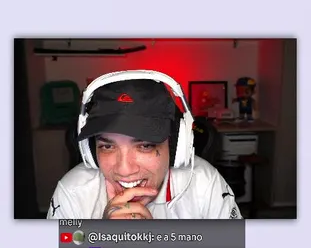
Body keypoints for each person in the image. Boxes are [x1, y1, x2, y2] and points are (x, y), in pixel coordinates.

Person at [46, 70, 241, 220]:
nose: (124, 170)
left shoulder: (203, 183)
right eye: (107, 146)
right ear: (90, 151)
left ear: (176, 147)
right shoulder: (73, 192)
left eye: (145, 146)